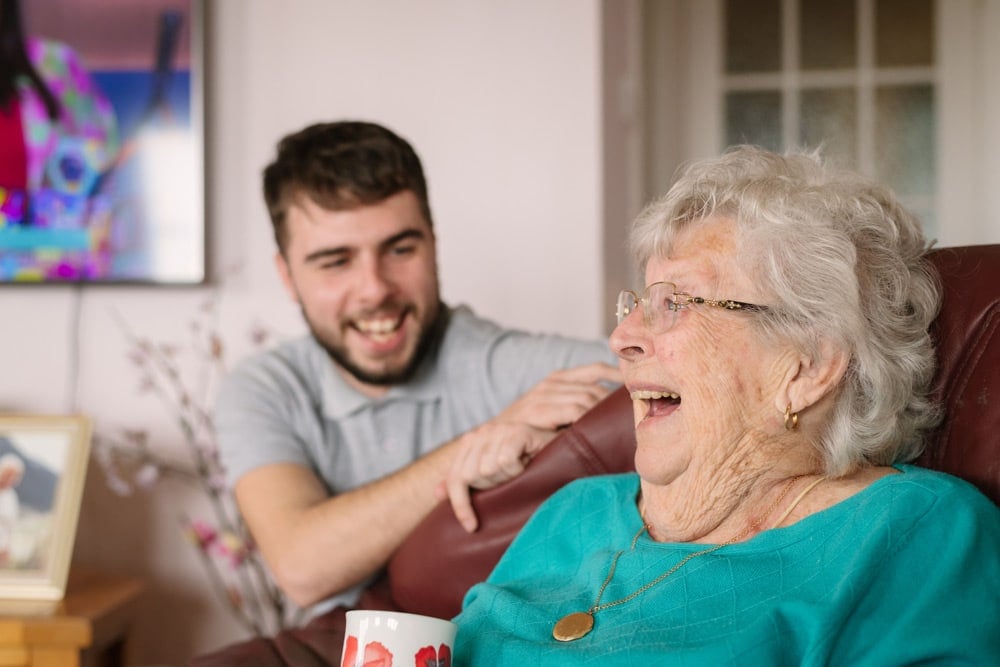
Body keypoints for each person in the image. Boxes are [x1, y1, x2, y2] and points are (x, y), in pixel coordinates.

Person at [453, 145, 1000, 663]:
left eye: (675, 303)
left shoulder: (912, 535)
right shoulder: (573, 512)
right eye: (639, 302)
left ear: (806, 367)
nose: (622, 336)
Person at [214, 120, 621, 615]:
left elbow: (671, 370)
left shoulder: (498, 361)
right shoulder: (263, 390)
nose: (375, 289)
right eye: (335, 261)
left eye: (400, 249)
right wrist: (493, 433)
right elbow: (302, 568)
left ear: (432, 244)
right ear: (288, 276)